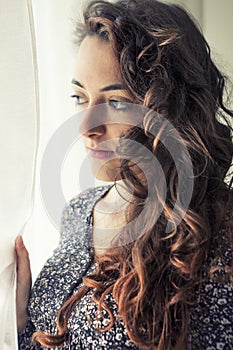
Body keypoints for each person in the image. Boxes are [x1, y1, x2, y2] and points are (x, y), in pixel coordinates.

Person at [15, 0, 233, 349]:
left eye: (115, 102)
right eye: (79, 96)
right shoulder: (79, 210)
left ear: (168, 106)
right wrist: (20, 322)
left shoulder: (218, 233)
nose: (86, 127)